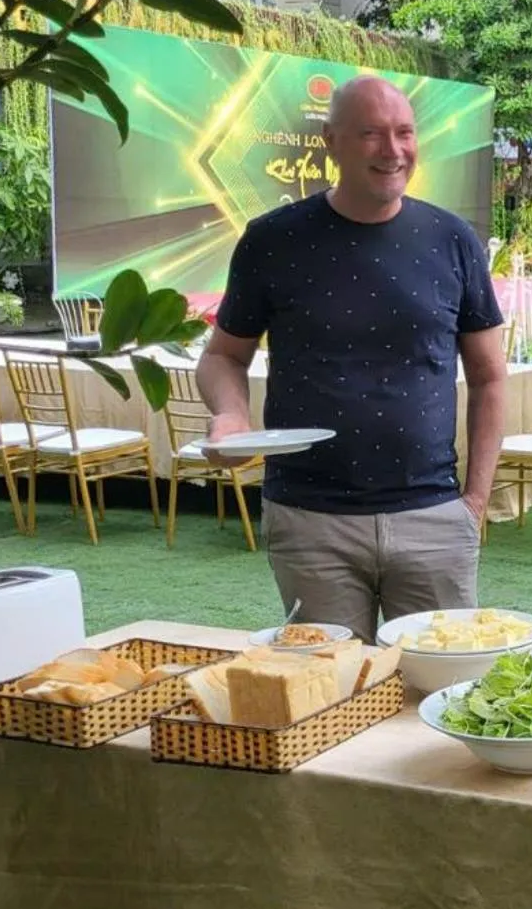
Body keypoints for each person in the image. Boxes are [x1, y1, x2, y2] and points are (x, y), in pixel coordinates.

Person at [198, 76, 506, 642]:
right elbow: (223, 356)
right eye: (371, 134)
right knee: (329, 685)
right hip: (310, 521)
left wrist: (474, 504)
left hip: (433, 517)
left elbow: (489, 377)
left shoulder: (452, 239)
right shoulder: (272, 241)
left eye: (404, 133)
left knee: (441, 683)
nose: (392, 150)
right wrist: (231, 416)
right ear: (330, 141)